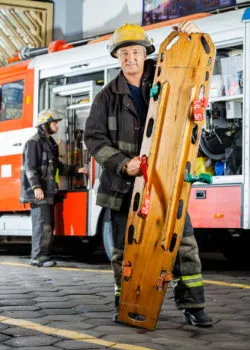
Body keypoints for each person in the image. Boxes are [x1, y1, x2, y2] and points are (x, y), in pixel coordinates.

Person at [84, 22, 213, 327]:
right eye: (124, 52)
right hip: (121, 187)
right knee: (123, 252)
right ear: (117, 57)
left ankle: (194, 306)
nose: (131, 58)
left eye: (136, 51)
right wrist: (122, 163)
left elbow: (192, 60)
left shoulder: (165, 74)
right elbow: (94, 139)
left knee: (183, 245)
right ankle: (127, 302)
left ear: (146, 54)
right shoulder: (106, 97)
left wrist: (190, 34)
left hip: (166, 182)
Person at [20, 109, 87, 267]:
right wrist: (36, 187)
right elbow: (30, 168)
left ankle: (43, 255)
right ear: (45, 125)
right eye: (54, 122)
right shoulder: (34, 142)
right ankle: (37, 257)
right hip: (38, 192)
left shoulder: (50, 144)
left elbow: (57, 166)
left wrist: (75, 170)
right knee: (42, 224)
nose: (57, 125)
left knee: (48, 224)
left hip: (47, 190)